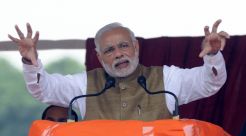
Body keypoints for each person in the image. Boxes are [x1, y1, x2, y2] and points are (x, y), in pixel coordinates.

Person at [8, 20, 229, 120]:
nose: (118, 54)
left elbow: (209, 83)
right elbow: (43, 90)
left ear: (136, 47)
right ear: (99, 57)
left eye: (124, 46)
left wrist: (212, 56)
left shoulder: (165, 78)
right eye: (110, 50)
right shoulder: (84, 86)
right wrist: (31, 62)